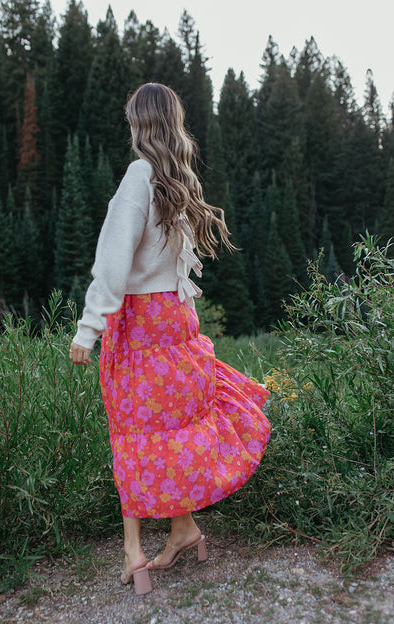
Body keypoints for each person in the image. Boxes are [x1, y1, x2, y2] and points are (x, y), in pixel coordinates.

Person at [69, 83, 270, 595]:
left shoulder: (140, 175)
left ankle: (135, 551)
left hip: (138, 324)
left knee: (133, 433)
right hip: (176, 318)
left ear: (139, 123)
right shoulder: (176, 178)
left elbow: (114, 260)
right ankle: (183, 529)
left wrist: (88, 327)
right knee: (166, 431)